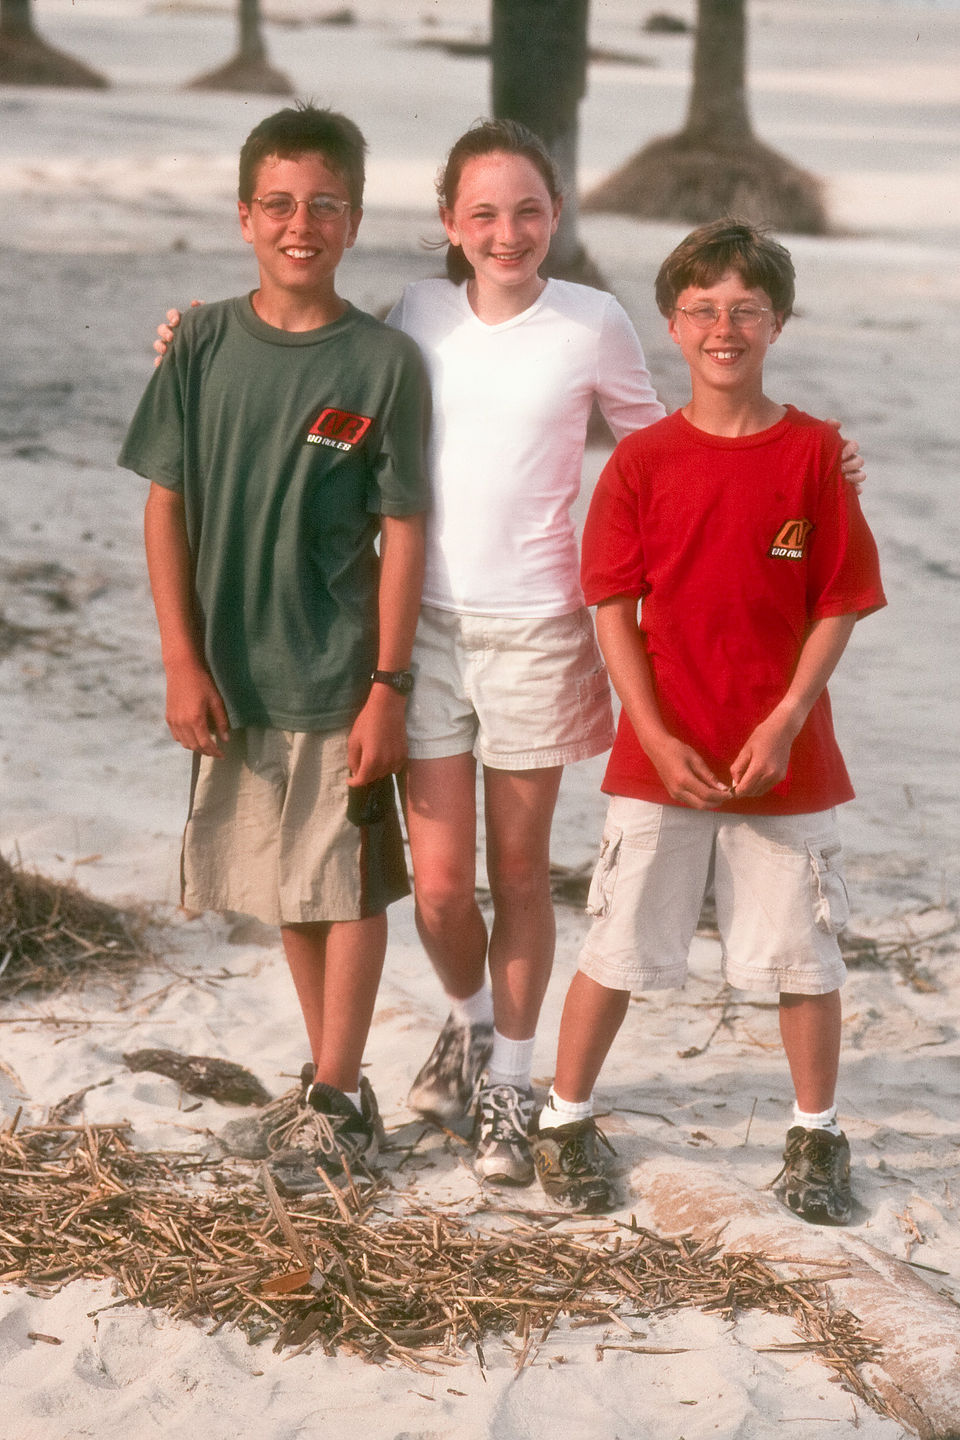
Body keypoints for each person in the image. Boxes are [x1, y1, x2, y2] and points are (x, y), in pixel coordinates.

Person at [152, 121, 866, 1191]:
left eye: (528, 210)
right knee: (440, 888)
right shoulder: (414, 313)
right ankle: (472, 1023)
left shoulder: (592, 322)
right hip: (421, 630)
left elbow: (667, 444)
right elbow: (315, 365)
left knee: (519, 873)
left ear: (556, 217)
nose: (507, 232)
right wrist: (187, 342)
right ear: (449, 221)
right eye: (483, 213)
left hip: (539, 629)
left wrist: (802, 455)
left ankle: (514, 1085)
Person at [529, 219, 885, 1223]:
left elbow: (837, 603)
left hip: (788, 758)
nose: (723, 327)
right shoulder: (641, 462)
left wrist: (783, 720)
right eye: (702, 309)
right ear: (672, 325)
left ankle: (816, 1132)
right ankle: (566, 1114)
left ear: (778, 320)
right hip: (662, 756)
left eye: (744, 309)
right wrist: (652, 728)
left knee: (801, 956)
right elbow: (612, 612)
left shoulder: (816, 454)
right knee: (618, 944)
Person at [120, 103, 430, 1196]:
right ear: (246, 215)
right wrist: (179, 657)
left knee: (344, 884)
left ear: (354, 220)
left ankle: (340, 1104)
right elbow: (165, 506)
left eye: (326, 205)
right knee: (289, 884)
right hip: (232, 672)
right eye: (282, 204)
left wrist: (388, 683)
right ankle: (328, 1088)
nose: (303, 224)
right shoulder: (200, 343)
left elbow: (404, 531)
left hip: (338, 670)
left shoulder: (383, 361)